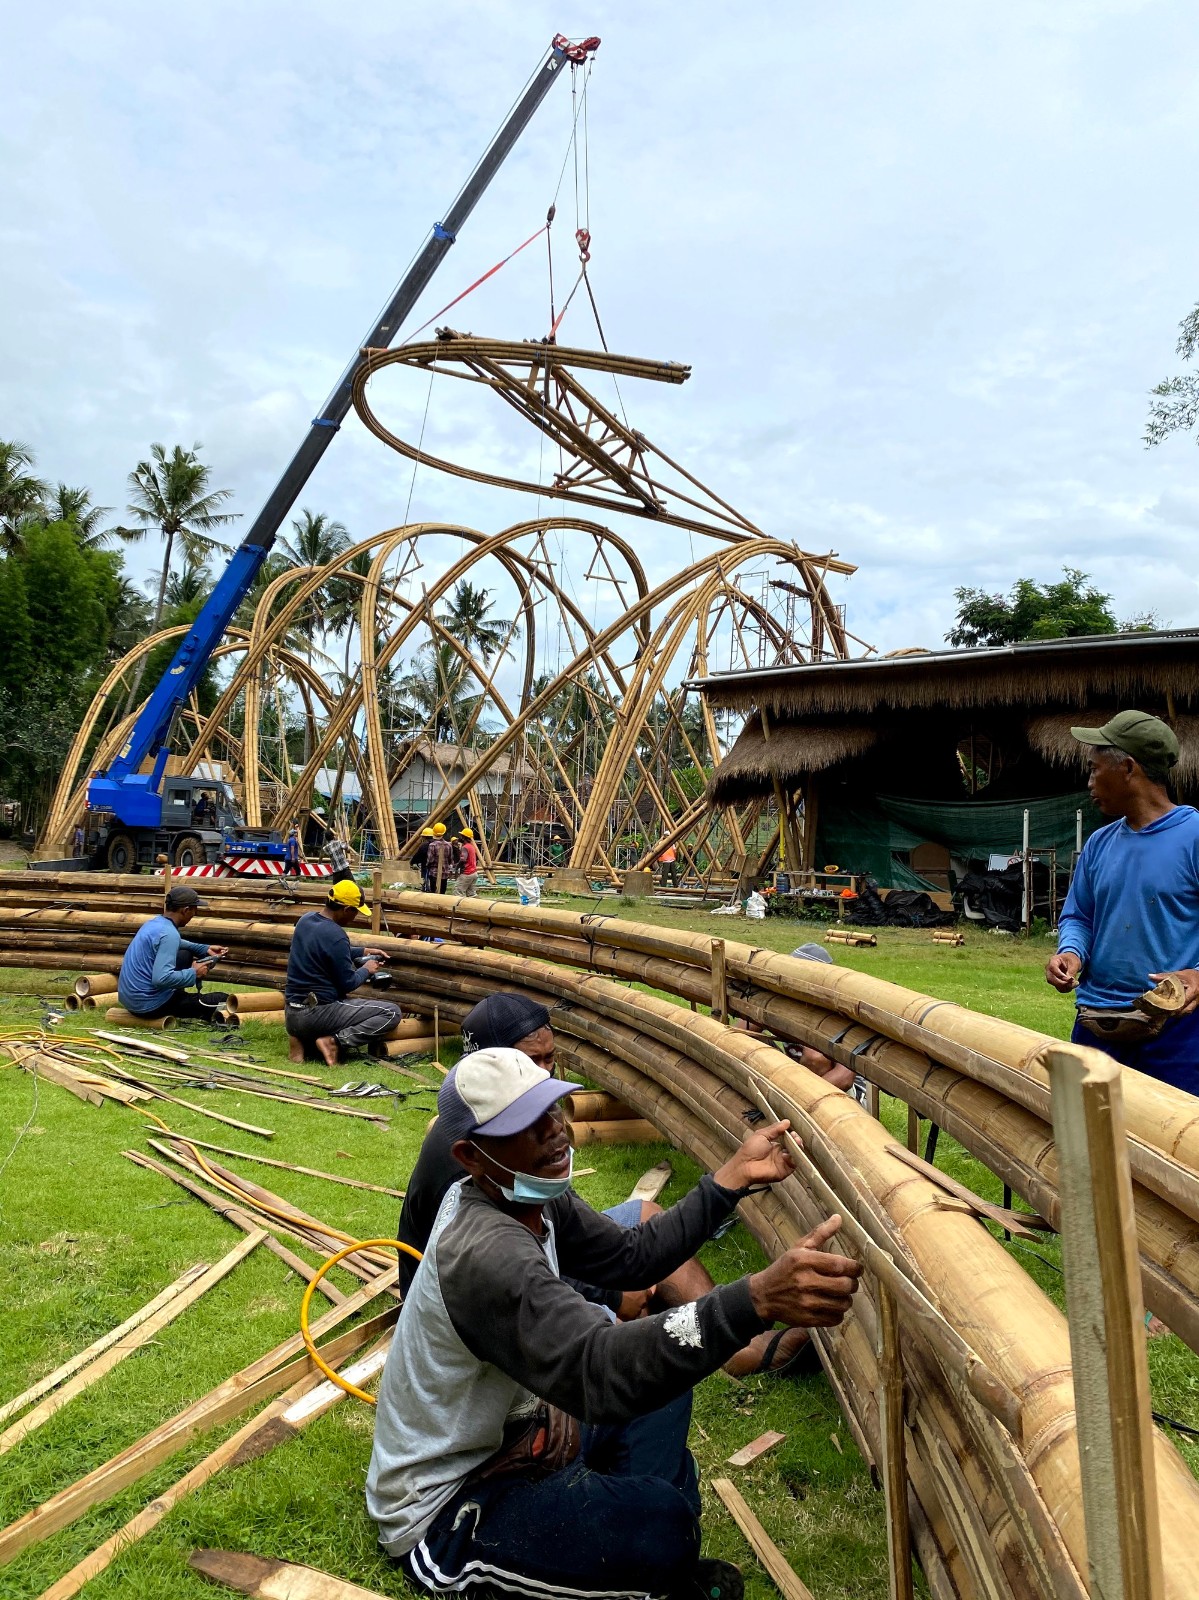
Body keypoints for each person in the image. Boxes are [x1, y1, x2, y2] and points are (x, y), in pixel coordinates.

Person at [368, 1046, 860, 1599]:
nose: (555, 1133)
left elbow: (632, 1256)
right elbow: (598, 1372)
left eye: (552, 1110)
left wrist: (728, 1180)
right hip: (449, 1502)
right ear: (471, 1155)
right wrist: (756, 1300)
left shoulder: (532, 1197)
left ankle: (644, 1558)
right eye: (526, 1126)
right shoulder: (486, 1251)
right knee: (662, 1526)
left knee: (665, 1416)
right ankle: (649, 1553)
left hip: (516, 1439)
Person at [397, 993, 813, 1375]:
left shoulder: (519, 1175)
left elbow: (622, 1252)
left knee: (644, 1217)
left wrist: (733, 1175)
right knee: (637, 1357)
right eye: (529, 1065)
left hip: (529, 1278)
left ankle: (736, 1349)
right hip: (489, 1316)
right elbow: (598, 1362)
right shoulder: (482, 1208)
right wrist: (614, 1298)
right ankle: (722, 1340)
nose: (544, 1087)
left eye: (549, 1061)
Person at [1046, 710, 1199, 1095]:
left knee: (1175, 1147)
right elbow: (1079, 915)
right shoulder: (1099, 843)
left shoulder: (1194, 837)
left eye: (1096, 769)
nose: (1090, 781)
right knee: (1088, 1147)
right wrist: (1071, 953)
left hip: (1176, 1033)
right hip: (1097, 1024)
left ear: (1128, 768)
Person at [284, 879, 400, 1065]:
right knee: (391, 1012)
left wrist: (363, 951)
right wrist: (366, 969)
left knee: (334, 1005)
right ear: (347, 910)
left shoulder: (305, 920)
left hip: (292, 1014)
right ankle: (333, 1042)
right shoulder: (336, 934)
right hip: (317, 1013)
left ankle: (301, 1039)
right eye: (355, 912)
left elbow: (325, 950)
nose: (355, 917)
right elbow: (348, 983)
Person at [117, 885, 231, 1022]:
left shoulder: (155, 923)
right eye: (194, 910)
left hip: (131, 1000)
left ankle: (178, 996)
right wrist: (194, 973)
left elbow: (174, 942)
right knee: (222, 999)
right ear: (186, 910)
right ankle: (180, 1001)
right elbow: (161, 979)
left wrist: (204, 949)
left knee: (185, 953)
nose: (194, 914)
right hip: (149, 1006)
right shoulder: (169, 934)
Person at [424, 822, 455, 894]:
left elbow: (430, 860)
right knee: (442, 894)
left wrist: (427, 865)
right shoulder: (449, 845)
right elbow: (451, 859)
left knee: (433, 894)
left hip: (434, 873)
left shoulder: (432, 845)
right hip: (445, 874)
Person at [453, 827, 480, 897]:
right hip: (474, 873)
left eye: (461, 836)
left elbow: (463, 859)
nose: (459, 838)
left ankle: (458, 907)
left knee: (458, 892)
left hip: (467, 873)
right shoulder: (471, 846)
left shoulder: (465, 847)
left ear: (464, 837)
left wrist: (456, 867)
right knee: (471, 894)